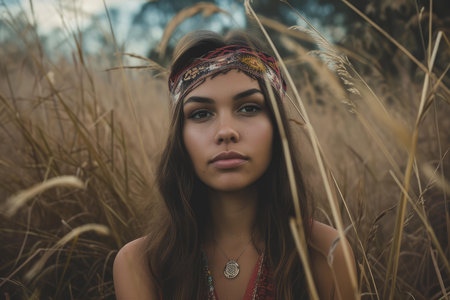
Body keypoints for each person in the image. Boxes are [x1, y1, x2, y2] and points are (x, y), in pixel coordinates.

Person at [113, 30, 356, 299]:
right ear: (181, 137)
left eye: (249, 108)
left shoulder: (326, 252)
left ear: (276, 128)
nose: (226, 131)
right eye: (201, 113)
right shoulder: (141, 264)